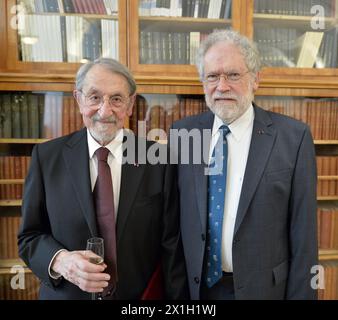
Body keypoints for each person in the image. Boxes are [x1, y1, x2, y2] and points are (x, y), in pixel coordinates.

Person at [18, 58, 188, 300]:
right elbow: (29, 237)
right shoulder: (46, 158)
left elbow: (172, 246)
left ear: (130, 105)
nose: (105, 111)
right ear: (78, 99)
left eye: (116, 99)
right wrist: (62, 261)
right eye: (95, 97)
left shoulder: (159, 160)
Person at [170, 30, 318, 299]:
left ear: (256, 79)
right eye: (213, 76)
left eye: (233, 75)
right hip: (197, 289)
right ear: (203, 82)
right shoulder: (182, 134)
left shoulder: (293, 138)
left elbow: (304, 240)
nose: (222, 86)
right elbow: (172, 226)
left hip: (265, 289)